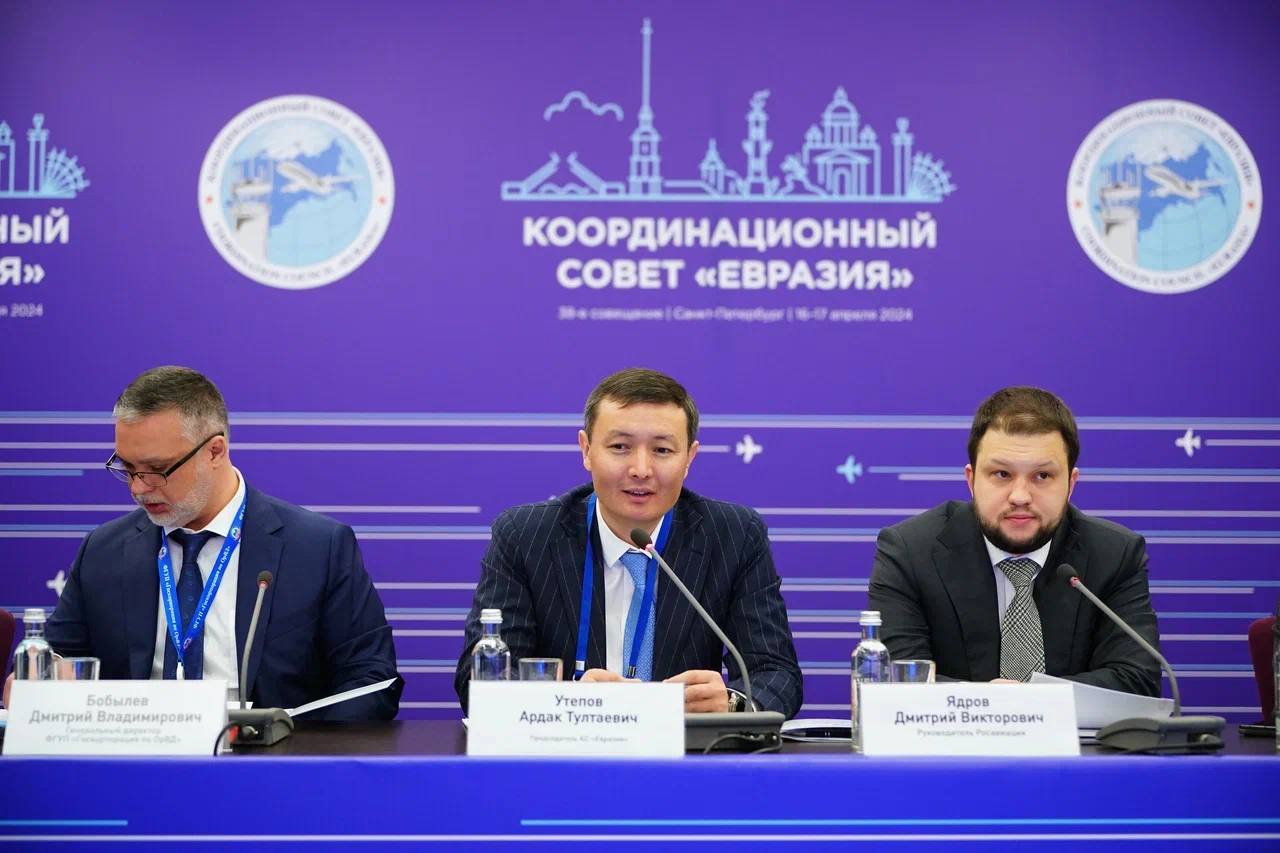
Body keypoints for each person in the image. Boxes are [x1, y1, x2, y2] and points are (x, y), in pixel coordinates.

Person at [4, 366, 401, 719]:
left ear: (215, 451)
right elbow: (58, 662)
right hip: (135, 762)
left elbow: (370, 681)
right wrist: (38, 684)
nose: (138, 489)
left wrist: (284, 740)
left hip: (266, 763)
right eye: (127, 468)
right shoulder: (104, 551)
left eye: (157, 470)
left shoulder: (317, 548)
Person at [454, 368, 802, 717]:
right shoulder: (526, 536)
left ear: (689, 459)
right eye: (620, 447)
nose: (641, 469)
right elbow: (478, 682)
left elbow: (776, 673)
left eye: (662, 450)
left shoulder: (733, 536)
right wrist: (569, 701)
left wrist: (732, 702)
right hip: (568, 745)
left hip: (688, 747)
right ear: (586, 450)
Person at [867, 386, 1161, 696]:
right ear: (971, 480)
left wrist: (1028, 702)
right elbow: (895, 682)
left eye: (1042, 476)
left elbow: (1137, 680)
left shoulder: (1115, 555)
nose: (1020, 496)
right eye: (1002, 474)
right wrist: (991, 705)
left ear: (1071, 484)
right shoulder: (910, 551)